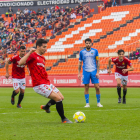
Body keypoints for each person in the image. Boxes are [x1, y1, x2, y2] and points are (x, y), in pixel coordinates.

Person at [19, 39, 72, 123]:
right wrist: (29, 52)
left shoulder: (42, 58)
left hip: (46, 82)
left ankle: (46, 107)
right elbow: (20, 63)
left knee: (61, 97)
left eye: (46, 47)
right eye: (44, 47)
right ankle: (63, 119)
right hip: (38, 84)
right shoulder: (32, 55)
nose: (45, 49)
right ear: (38, 47)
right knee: (58, 99)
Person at [78, 38, 103, 108]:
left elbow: (98, 61)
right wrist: (79, 73)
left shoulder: (95, 51)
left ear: (91, 44)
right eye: (87, 43)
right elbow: (80, 63)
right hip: (85, 71)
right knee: (86, 87)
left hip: (94, 71)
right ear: (85, 44)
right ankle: (87, 104)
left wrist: (98, 72)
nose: (88, 44)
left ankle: (98, 103)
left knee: (97, 87)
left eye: (89, 43)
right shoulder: (82, 52)